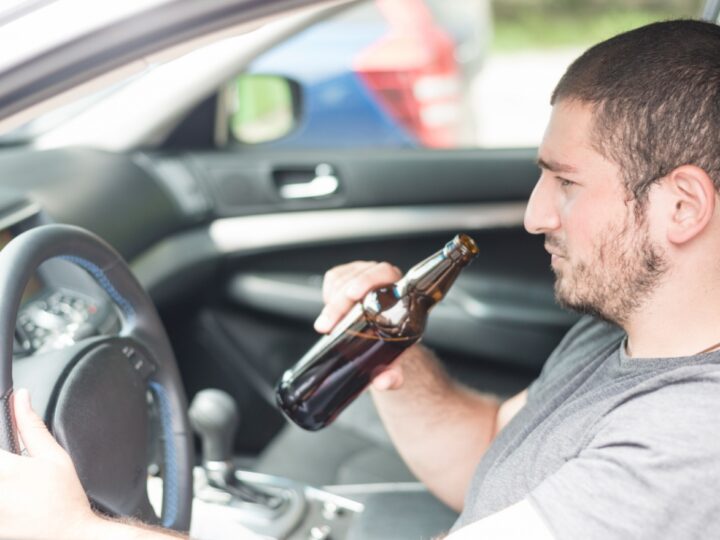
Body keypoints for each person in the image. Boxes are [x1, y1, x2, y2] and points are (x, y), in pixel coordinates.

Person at [2, 18, 720, 540]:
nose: (535, 215)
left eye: (565, 182)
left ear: (681, 206)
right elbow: (489, 451)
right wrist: (396, 362)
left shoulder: (691, 441)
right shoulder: (621, 333)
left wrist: (70, 528)